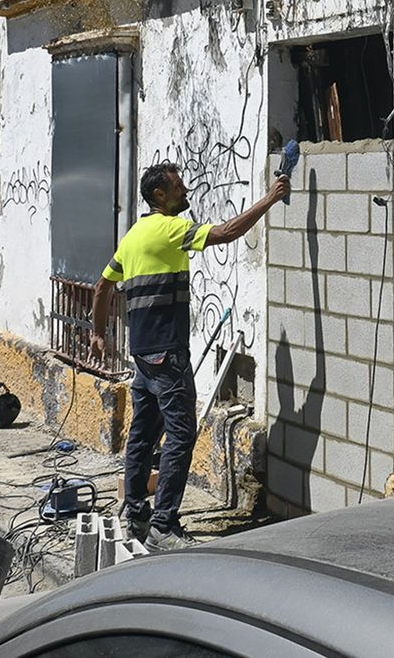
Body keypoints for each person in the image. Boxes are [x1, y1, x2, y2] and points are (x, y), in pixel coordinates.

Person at [91, 162, 289, 551]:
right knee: (180, 436)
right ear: (159, 196)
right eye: (179, 188)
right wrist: (271, 198)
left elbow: (101, 288)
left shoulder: (133, 236)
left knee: (142, 436)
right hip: (168, 355)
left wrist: (98, 333)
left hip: (144, 357)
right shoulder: (171, 229)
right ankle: (164, 525)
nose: (186, 193)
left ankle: (135, 515)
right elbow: (228, 232)